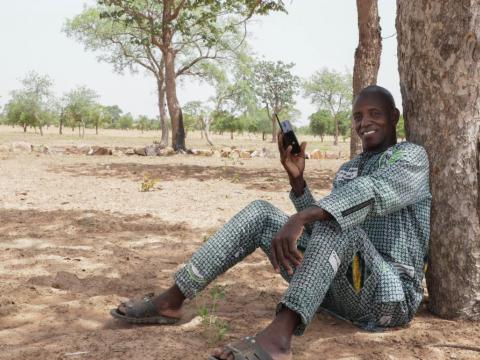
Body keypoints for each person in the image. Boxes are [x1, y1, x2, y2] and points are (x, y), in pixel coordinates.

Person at [111, 85, 431, 360]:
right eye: (358, 116)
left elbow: (370, 194)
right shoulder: (348, 169)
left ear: (394, 118)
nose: (365, 122)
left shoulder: (410, 158)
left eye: (375, 114)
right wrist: (299, 185)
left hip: (388, 300)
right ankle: (172, 300)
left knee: (338, 221)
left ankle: (278, 339)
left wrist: (304, 215)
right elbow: (326, 231)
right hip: (336, 294)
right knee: (263, 212)